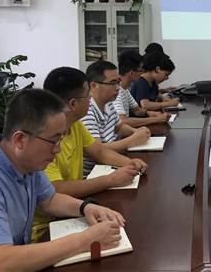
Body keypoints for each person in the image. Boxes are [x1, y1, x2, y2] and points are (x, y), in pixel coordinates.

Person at [0, 89, 124, 272]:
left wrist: (86, 207)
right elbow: (1, 263)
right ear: (20, 139)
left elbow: (50, 199)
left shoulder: (25, 161)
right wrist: (85, 240)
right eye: (54, 140)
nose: (58, 149)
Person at [31, 66, 149, 242]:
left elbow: (99, 151)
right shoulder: (43, 137)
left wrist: (129, 163)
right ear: (73, 104)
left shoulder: (75, 124)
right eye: (87, 95)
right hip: (47, 227)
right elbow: (55, 190)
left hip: (72, 209)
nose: (90, 99)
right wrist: (110, 180)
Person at [81, 60, 151, 176]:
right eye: (112, 83)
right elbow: (98, 150)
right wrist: (132, 140)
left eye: (118, 82)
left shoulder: (108, 102)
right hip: (95, 172)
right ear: (93, 85)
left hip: (109, 163)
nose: (118, 87)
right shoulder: (87, 111)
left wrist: (136, 132)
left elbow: (119, 127)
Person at [115, 50, 170, 127]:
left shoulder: (125, 89)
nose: (142, 73)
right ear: (131, 73)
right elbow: (124, 121)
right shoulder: (115, 92)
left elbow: (137, 111)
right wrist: (156, 119)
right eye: (140, 70)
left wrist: (152, 114)